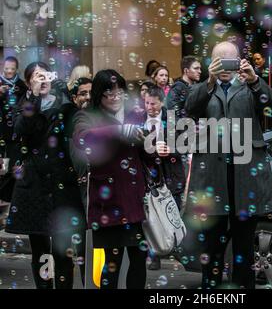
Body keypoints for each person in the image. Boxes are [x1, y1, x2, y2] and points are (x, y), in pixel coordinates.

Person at [185, 41, 272, 289]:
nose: (225, 66)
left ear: (239, 62)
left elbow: (271, 108)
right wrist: (210, 80)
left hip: (245, 176)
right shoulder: (205, 88)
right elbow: (189, 108)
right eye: (219, 61)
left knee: (244, 248)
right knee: (211, 247)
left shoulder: (249, 87)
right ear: (211, 63)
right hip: (212, 177)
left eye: (230, 61)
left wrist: (255, 80)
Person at [6, 62, 86, 289]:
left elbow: (76, 128)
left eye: (46, 75)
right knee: (40, 250)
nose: (43, 80)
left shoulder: (63, 103)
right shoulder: (25, 104)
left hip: (61, 182)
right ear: (30, 80)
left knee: (63, 250)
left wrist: (67, 97)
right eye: (37, 76)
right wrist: (34, 96)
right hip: (35, 186)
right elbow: (22, 129)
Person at [73, 69, 147, 289]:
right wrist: (118, 130)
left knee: (138, 258)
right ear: (98, 95)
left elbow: (145, 154)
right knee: (111, 262)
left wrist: (154, 146)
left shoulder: (135, 114)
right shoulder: (88, 115)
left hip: (135, 198)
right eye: (110, 94)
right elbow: (82, 138)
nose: (116, 98)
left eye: (119, 93)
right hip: (109, 201)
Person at [143, 85, 186, 270]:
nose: (149, 107)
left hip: (170, 175)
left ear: (161, 102)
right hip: (148, 176)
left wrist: (171, 150)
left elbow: (186, 145)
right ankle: (154, 253)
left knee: (171, 213)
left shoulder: (174, 120)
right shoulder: (137, 120)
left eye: (153, 103)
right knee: (151, 216)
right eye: (146, 103)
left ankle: (174, 245)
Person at [0, 56, 28, 203]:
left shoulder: (21, 86)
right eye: (6, 69)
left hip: (14, 135)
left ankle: (8, 197)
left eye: (12, 69)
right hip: (2, 131)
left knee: (12, 166)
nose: (9, 71)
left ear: (16, 69)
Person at [166, 56, 201, 121]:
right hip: (184, 129)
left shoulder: (197, 86)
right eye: (196, 68)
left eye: (200, 68)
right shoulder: (178, 87)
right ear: (186, 70)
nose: (200, 71)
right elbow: (172, 114)